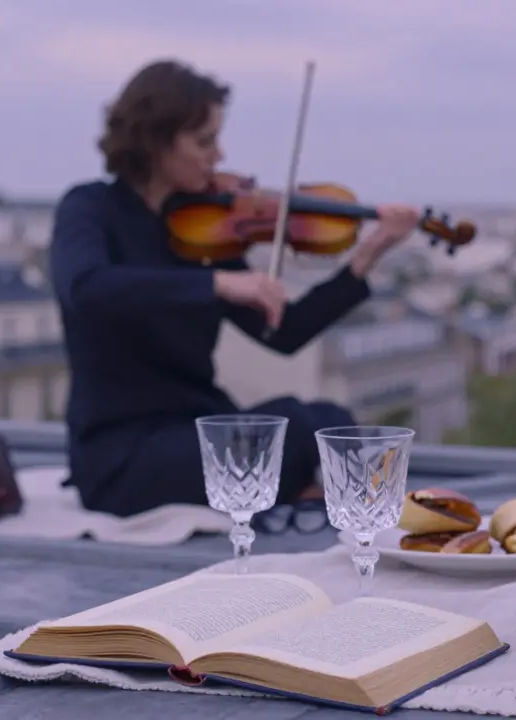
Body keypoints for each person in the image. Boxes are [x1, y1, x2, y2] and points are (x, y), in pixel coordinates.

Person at [49, 59, 419, 519]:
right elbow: (86, 288)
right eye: (204, 141)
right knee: (301, 435)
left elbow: (283, 333)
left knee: (329, 422)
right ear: (155, 139)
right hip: (122, 454)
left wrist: (367, 256)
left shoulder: (202, 228)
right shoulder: (89, 208)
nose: (219, 156)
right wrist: (218, 283)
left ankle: (297, 484)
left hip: (200, 428)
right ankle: (298, 486)